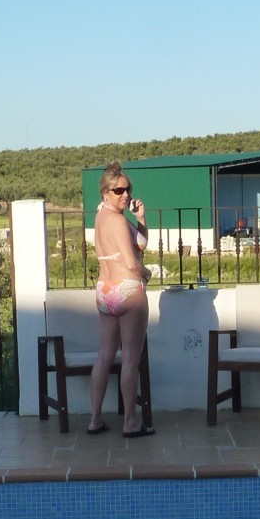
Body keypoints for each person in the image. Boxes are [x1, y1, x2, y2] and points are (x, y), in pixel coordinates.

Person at [87, 161, 155, 438]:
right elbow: (131, 261)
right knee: (130, 359)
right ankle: (130, 423)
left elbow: (139, 243)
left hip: (105, 291)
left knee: (104, 356)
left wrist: (141, 219)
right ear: (106, 192)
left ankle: (95, 420)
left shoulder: (102, 215)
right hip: (127, 290)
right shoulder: (116, 220)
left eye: (128, 189)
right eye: (119, 191)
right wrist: (146, 273)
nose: (126, 195)